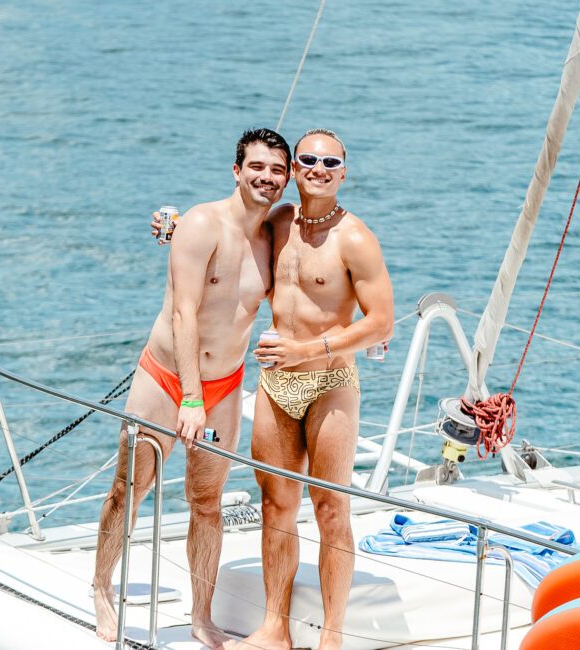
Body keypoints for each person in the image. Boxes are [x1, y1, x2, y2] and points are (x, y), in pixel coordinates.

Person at [93, 128, 291, 646]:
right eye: (256, 166)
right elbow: (184, 313)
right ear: (236, 170)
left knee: (207, 502)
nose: (266, 177)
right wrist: (189, 397)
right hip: (166, 377)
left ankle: (201, 615)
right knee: (128, 489)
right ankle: (100, 587)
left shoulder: (271, 238)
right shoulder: (203, 224)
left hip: (226, 383)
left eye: (276, 169)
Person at [239, 128, 394, 650]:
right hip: (275, 386)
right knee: (276, 504)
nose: (318, 168)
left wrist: (308, 350)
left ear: (344, 172)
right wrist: (172, 227)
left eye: (331, 161)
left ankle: (332, 636)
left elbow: (382, 323)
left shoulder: (355, 238)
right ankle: (274, 627)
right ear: (295, 168)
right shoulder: (280, 221)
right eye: (308, 159)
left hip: (331, 382)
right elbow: (227, 239)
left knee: (331, 509)